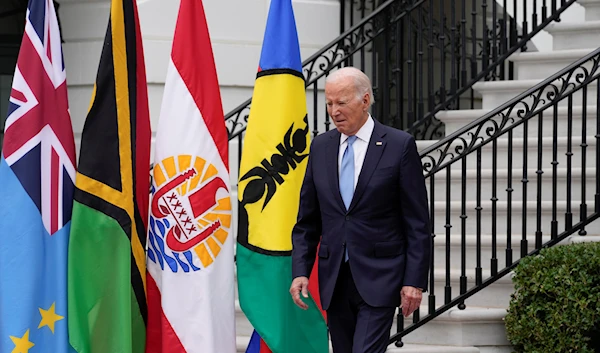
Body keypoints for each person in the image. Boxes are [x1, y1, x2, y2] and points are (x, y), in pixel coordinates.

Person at [290, 67, 431, 353]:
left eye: (341, 102)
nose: (334, 111)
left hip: (381, 276)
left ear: (365, 101)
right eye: (329, 103)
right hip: (335, 278)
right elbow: (308, 220)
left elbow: (417, 222)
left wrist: (414, 281)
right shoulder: (320, 147)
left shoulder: (398, 145)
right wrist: (300, 270)